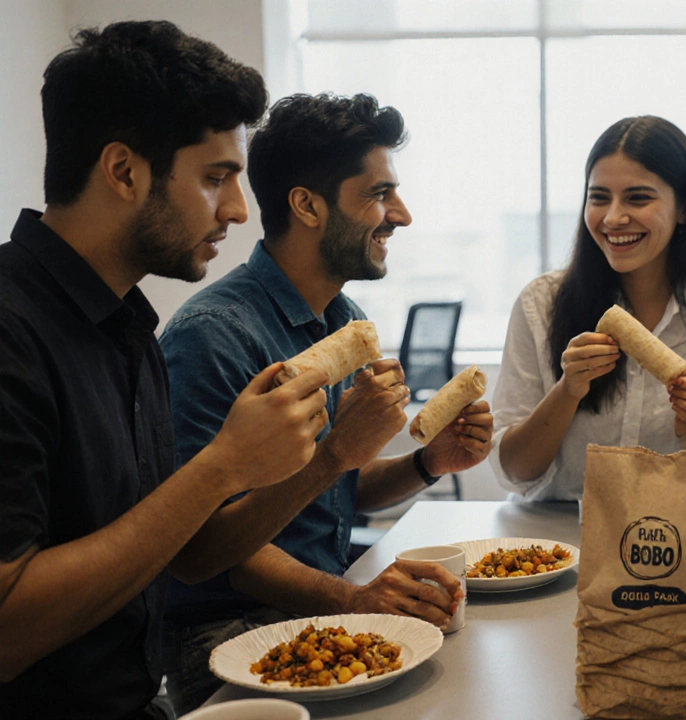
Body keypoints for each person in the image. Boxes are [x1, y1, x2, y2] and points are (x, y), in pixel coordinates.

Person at [0, 21, 331, 720]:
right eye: (216, 178)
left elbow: (187, 557)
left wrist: (276, 464)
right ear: (124, 171)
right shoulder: (11, 332)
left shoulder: (126, 326)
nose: (239, 211)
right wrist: (219, 467)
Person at [158, 93, 492, 713]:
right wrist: (351, 600)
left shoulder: (344, 319)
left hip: (320, 607)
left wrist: (427, 463)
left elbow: (342, 490)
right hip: (227, 636)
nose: (402, 215)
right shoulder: (212, 336)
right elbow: (204, 551)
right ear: (307, 205)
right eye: (378, 195)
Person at [491, 116, 686, 501]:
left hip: (683, 537)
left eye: (638, 198)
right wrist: (568, 390)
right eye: (599, 197)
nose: (613, 217)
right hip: (559, 540)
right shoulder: (540, 304)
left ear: (684, 208)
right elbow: (515, 470)